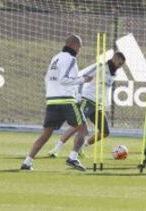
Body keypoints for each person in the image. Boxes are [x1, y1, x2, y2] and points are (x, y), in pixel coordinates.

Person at [20, 35, 93, 171]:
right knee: (83, 129)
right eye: (80, 47)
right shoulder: (71, 59)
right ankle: (72, 158)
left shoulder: (56, 57)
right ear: (74, 45)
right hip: (66, 100)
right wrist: (83, 79)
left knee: (45, 134)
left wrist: (51, 93)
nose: (80, 50)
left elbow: (47, 78)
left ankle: (27, 162)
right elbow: (64, 80)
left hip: (52, 101)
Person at [47, 52, 126, 157]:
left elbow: (105, 90)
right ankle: (56, 149)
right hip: (87, 100)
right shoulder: (100, 66)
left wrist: (105, 105)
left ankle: (80, 148)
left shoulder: (113, 74)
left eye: (121, 65)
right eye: (119, 64)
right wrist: (78, 94)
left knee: (105, 131)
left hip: (98, 105)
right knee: (77, 125)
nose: (120, 67)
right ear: (114, 59)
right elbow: (82, 76)